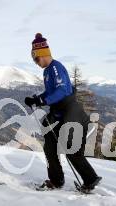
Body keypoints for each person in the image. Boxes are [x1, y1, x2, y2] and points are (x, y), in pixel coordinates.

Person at [24, 33, 101, 193]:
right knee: (49, 146)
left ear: (43, 54)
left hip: (70, 111)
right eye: (33, 60)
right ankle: (56, 180)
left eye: (36, 59)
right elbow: (49, 91)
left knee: (71, 148)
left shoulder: (56, 68)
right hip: (58, 113)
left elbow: (62, 91)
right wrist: (37, 99)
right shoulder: (47, 71)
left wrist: (43, 102)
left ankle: (90, 179)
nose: (36, 62)